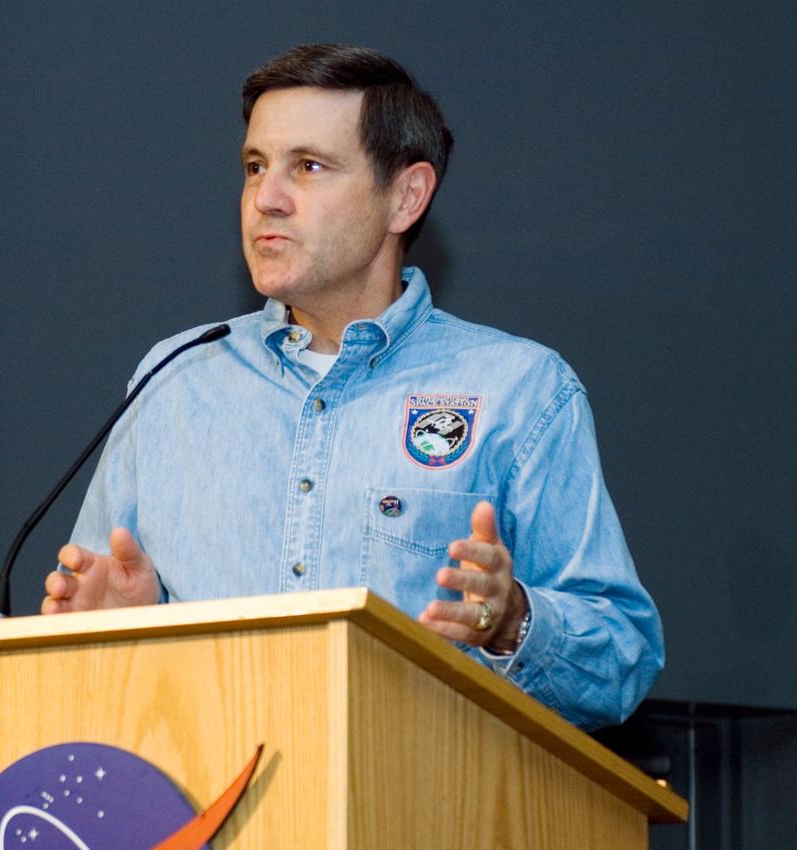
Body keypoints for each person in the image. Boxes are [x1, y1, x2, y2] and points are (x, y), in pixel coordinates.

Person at [41, 44, 663, 730]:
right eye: (254, 167)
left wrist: (511, 619)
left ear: (406, 195)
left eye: (308, 167)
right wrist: (114, 633)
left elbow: (622, 660)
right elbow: (86, 644)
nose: (266, 198)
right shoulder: (176, 376)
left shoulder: (518, 389)